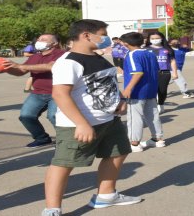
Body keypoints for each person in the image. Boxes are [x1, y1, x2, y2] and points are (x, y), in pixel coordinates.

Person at [43, 19, 141, 216]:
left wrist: (119, 100)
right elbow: (60, 94)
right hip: (79, 125)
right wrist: (81, 124)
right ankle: (52, 209)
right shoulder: (69, 62)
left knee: (118, 152)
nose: (106, 38)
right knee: (64, 164)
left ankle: (105, 196)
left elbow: (105, 84)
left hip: (108, 120)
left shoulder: (97, 57)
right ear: (87, 35)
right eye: (103, 33)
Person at [2, 34, 66, 148]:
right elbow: (20, 72)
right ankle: (42, 138)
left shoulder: (62, 54)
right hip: (38, 93)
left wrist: (19, 65)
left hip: (58, 92)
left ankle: (65, 140)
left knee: (54, 116)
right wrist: (7, 69)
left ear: (54, 43)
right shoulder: (35, 57)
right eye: (39, 39)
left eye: (44, 39)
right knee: (26, 116)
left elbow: (50, 67)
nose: (39, 41)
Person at [120, 32, 163, 153]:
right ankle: (157, 139)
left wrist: (128, 89)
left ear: (126, 43)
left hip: (137, 91)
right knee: (153, 115)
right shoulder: (150, 53)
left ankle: (134, 143)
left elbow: (138, 72)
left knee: (135, 117)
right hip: (151, 89)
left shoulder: (132, 54)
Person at [144, 31, 178, 113]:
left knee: (162, 91)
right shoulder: (145, 49)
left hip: (164, 73)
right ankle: (154, 107)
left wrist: (175, 72)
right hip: (150, 74)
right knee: (152, 90)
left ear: (162, 38)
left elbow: (172, 61)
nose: (155, 40)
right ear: (149, 39)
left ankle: (161, 104)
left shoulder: (167, 49)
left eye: (157, 38)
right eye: (152, 38)